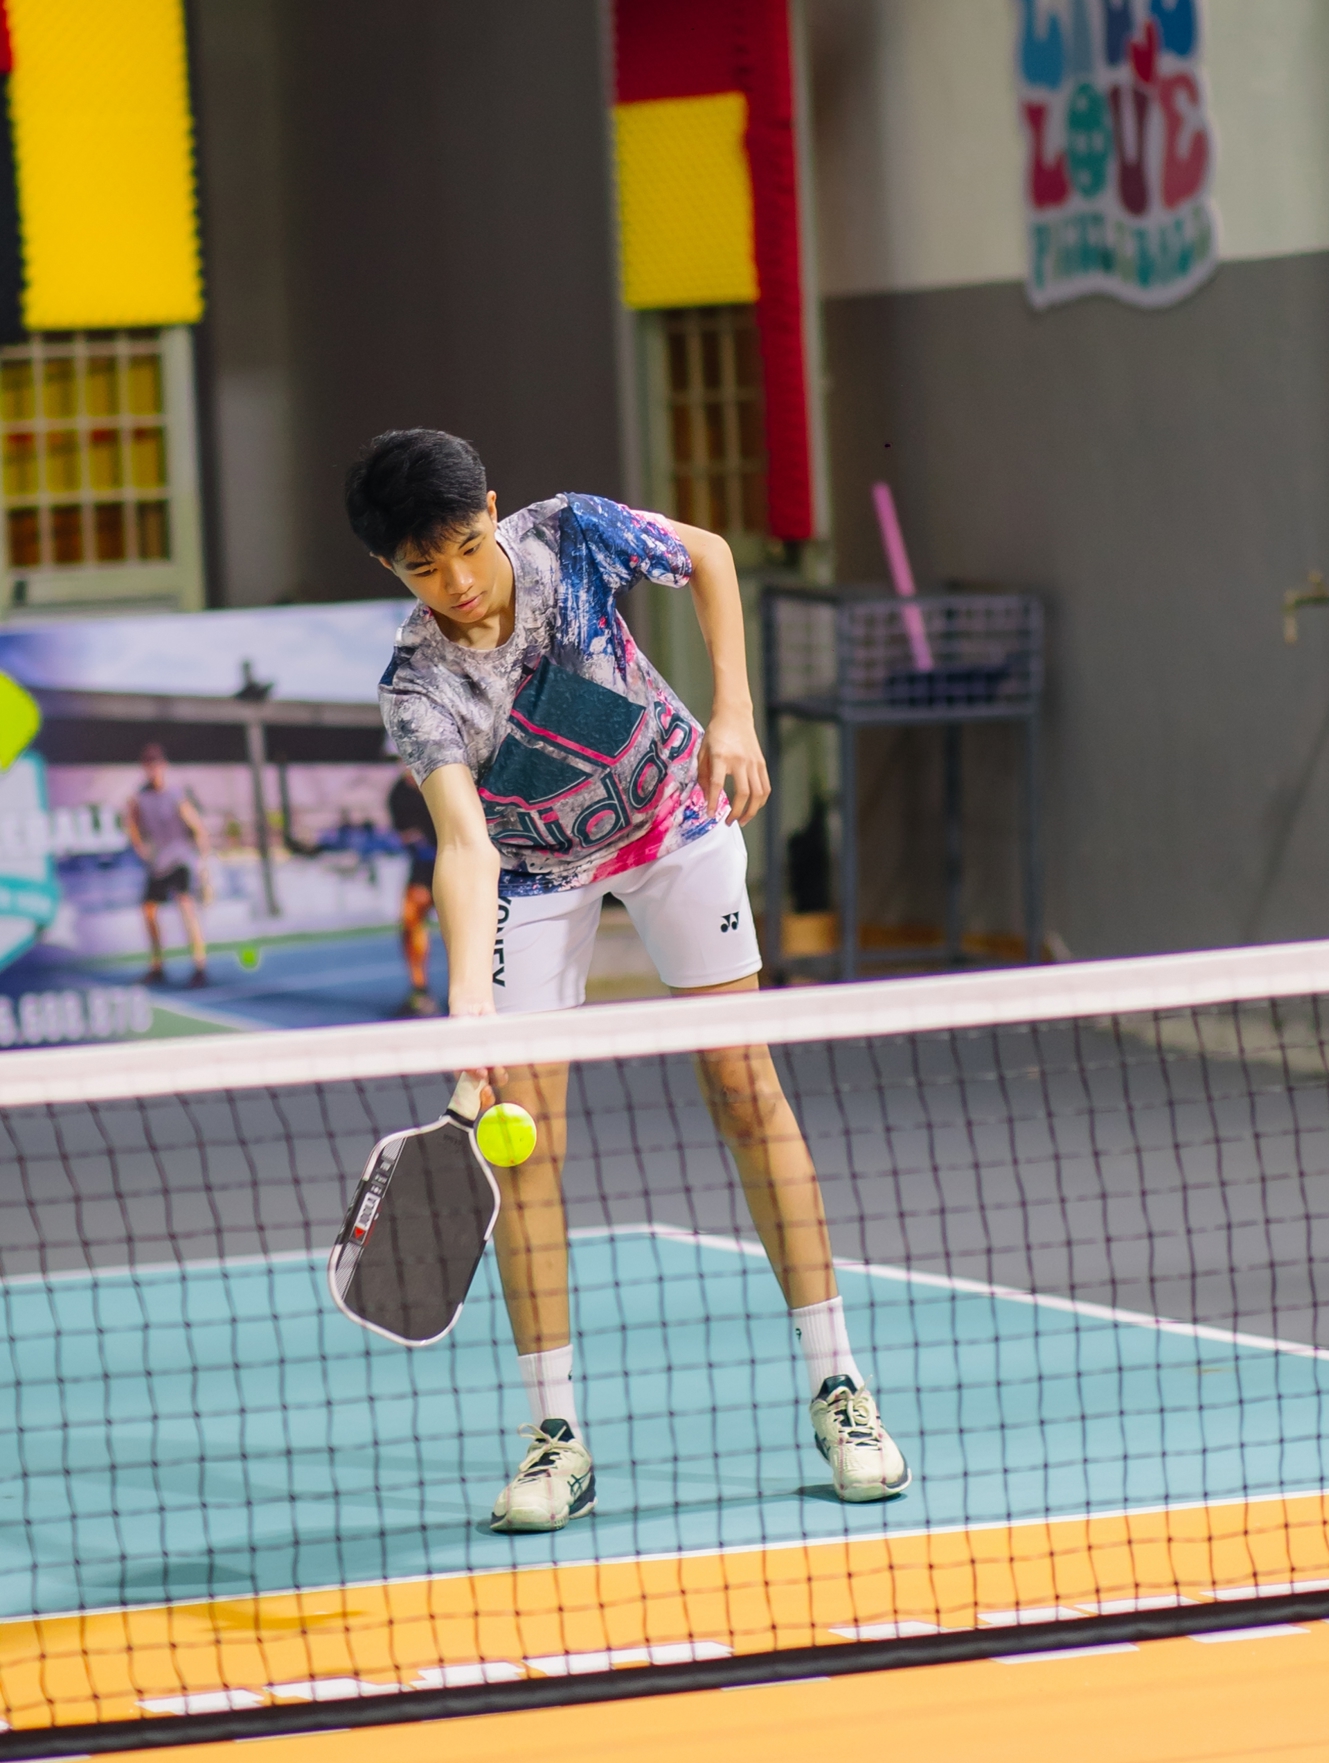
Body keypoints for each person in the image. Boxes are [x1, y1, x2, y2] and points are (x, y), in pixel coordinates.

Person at [344, 428, 909, 1532]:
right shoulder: (418, 687)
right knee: (527, 1142)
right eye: (423, 568)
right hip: (533, 873)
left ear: (492, 509)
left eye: (466, 548)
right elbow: (463, 844)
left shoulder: (571, 535)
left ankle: (840, 1388)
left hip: (672, 822)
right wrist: (468, 1005)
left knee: (742, 1085)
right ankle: (555, 1438)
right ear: (388, 568)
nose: (457, 583)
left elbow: (708, 556)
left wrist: (733, 711)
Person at [124, 743, 210, 988]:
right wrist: (140, 847)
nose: (153, 770)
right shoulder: (139, 798)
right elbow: (132, 825)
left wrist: (204, 864)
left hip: (180, 859)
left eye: (157, 765)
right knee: (149, 911)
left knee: (186, 906)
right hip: (158, 863)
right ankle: (157, 967)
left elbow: (198, 828)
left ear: (164, 766)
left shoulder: (176, 796)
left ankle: (199, 966)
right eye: (149, 765)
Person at [387, 764, 439, 1015]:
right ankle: (419, 990)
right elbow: (407, 835)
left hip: (460, 863)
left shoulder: (448, 779)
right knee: (411, 918)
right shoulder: (400, 793)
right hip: (425, 865)